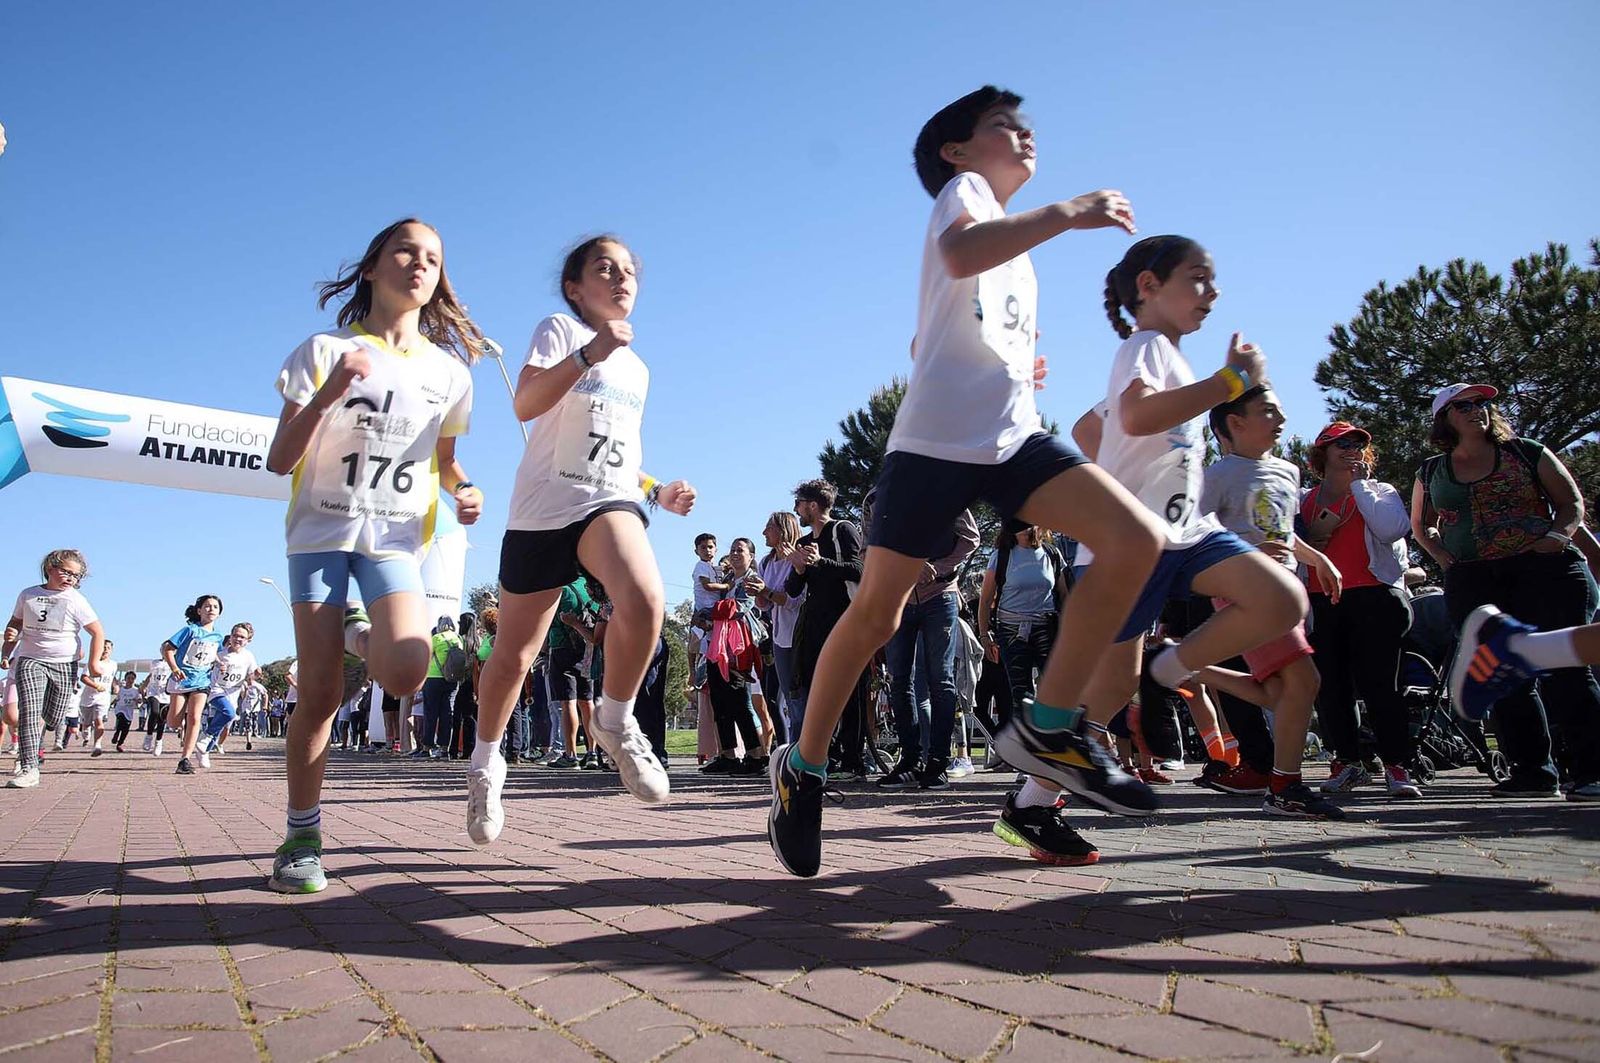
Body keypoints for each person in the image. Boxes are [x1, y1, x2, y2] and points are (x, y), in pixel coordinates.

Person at [768, 86, 1168, 878]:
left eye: (1027, 125)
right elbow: (957, 255)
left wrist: (1018, 361)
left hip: (1013, 435)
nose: (1023, 135)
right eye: (1001, 126)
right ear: (956, 150)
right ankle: (802, 768)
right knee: (877, 613)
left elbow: (933, 325)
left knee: (1135, 539)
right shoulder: (966, 194)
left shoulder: (1014, 250)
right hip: (934, 443)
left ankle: (1050, 724)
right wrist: (1068, 211)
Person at [1035, 235, 1307, 852]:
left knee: (1280, 599)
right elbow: (1130, 418)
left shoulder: (1173, 362)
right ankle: (1031, 806)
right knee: (1101, 699)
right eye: (1198, 278)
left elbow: (1095, 426)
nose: (1212, 293)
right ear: (1149, 287)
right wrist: (1232, 380)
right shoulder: (1145, 346)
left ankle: (1172, 665)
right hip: (1129, 544)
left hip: (1187, 532)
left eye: (1214, 281)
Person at [263, 217, 484, 893]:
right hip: (321, 534)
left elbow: (446, 464)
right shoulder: (324, 349)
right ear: (371, 268)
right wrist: (332, 391)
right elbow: (279, 459)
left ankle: (362, 632)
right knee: (322, 691)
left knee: (408, 669)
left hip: (393, 539)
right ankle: (302, 835)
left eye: (432, 258)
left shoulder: (449, 374)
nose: (418, 264)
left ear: (438, 280)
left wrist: (463, 489)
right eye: (404, 251)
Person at [468, 234, 696, 847]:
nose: (621, 279)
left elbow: (619, 455)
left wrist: (656, 490)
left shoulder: (640, 369)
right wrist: (589, 353)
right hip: (543, 511)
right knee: (513, 656)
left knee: (646, 599)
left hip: (605, 503)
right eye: (605, 269)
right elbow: (525, 403)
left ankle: (615, 720)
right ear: (576, 288)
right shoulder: (560, 331)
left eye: (629, 272)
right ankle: (487, 764)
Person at [1412, 383, 1598, 798]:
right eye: (1464, 405)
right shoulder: (1431, 470)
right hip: (1475, 576)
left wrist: (1556, 536)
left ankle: (1591, 769)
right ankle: (1533, 772)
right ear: (1445, 417)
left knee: (1567, 667)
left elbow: (1571, 504)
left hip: (1545, 570)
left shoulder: (1526, 451)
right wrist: (1443, 557)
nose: (1477, 409)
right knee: (1502, 673)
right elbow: (1421, 525)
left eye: (1483, 403)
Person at [1195, 388, 1345, 817]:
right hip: (1247, 592)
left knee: (1285, 692)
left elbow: (1281, 533)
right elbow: (1195, 532)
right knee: (1304, 683)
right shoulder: (1219, 475)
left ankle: (1184, 665)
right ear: (1235, 424)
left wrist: (1319, 560)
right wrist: (1241, 558)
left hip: (1285, 592)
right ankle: (1285, 787)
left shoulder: (1287, 472)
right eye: (1268, 411)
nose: (1280, 417)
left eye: (1281, 409)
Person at [880, 506, 978, 789]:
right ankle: (909, 761)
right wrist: (907, 568)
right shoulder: (877, 499)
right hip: (897, 597)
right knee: (899, 680)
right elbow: (867, 551)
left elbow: (971, 537)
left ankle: (938, 762)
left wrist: (938, 569)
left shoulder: (945, 488)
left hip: (940, 595)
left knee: (941, 679)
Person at [2, 550, 106, 788]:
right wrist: (7, 649)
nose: (70, 578)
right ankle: (28, 768)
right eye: (65, 572)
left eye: (75, 575)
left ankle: (37, 742)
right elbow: (15, 623)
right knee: (29, 712)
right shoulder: (28, 595)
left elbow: (97, 632)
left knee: (52, 717)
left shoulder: (75, 600)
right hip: (30, 659)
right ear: (50, 568)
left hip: (64, 663)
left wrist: (93, 663)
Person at [163, 595, 225, 775]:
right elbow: (168, 648)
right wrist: (174, 668)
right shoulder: (189, 630)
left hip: (202, 681)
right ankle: (167, 713)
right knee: (174, 722)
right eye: (207, 606)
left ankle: (185, 759)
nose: (211, 609)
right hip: (181, 680)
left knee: (195, 718)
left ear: (219, 612)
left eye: (215, 606)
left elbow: (214, 653)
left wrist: (219, 663)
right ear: (199, 611)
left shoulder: (218, 635)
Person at [755, 511, 804, 738]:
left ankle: (804, 746)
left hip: (800, 633)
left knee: (801, 694)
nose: (764, 532)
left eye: (769, 527)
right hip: (779, 636)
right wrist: (758, 594)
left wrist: (766, 591)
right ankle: (792, 747)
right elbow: (766, 605)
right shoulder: (766, 561)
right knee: (787, 694)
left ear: (783, 530)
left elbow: (794, 601)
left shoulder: (797, 558)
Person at [197, 623, 258, 768]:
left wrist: (256, 674)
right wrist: (218, 664)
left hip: (233, 694)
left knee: (221, 727)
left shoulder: (248, 656)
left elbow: (251, 677)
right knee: (229, 713)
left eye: (242, 637)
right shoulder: (220, 654)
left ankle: (204, 751)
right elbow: (207, 664)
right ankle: (205, 736)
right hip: (216, 690)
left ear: (248, 640)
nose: (238, 639)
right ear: (230, 636)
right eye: (235, 635)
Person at [420, 616, 463, 759]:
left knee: (431, 714)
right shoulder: (458, 639)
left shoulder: (436, 638)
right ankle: (444, 749)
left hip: (433, 678)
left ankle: (427, 748)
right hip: (452, 680)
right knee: (447, 714)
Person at [80, 638, 116, 757]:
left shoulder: (113, 665)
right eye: (103, 647)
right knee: (87, 722)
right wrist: (95, 685)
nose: (105, 650)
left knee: (99, 720)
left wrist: (115, 686)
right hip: (88, 697)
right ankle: (86, 731)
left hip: (103, 698)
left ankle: (97, 745)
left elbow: (111, 678)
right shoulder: (92, 662)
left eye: (108, 648)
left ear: (111, 650)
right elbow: (84, 677)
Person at [112, 670, 141, 751]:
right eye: (128, 678)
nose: (130, 680)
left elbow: (139, 700)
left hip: (129, 711)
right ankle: (117, 733)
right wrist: (111, 703)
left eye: (132, 678)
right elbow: (117, 698)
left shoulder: (136, 690)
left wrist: (137, 700)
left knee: (125, 729)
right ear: (125, 679)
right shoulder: (121, 689)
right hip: (120, 709)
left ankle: (120, 744)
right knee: (121, 719)